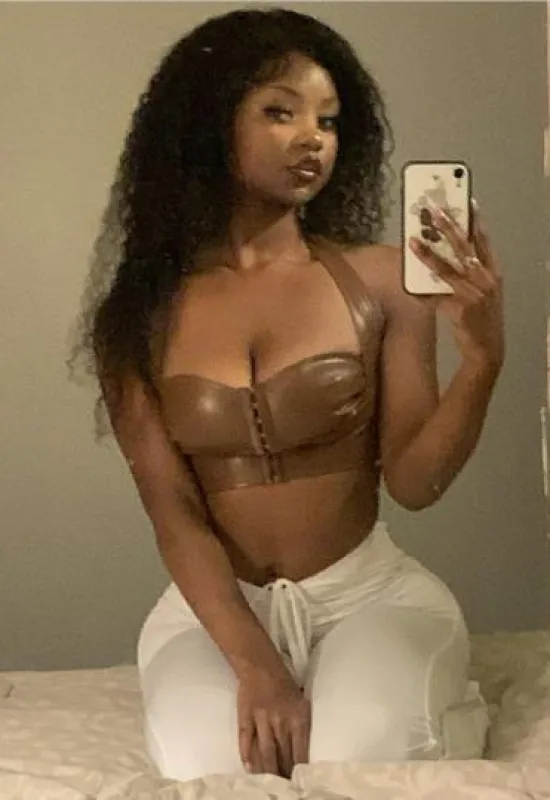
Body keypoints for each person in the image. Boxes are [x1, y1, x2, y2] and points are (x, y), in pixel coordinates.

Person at [67, 7, 504, 784]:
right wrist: (257, 665)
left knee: (356, 763)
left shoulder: (382, 280)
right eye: (281, 112)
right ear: (209, 124)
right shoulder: (137, 316)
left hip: (367, 596)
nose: (313, 139)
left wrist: (482, 360)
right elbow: (174, 513)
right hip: (215, 613)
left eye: (329, 121)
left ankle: (452, 708)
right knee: (214, 772)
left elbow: (415, 483)